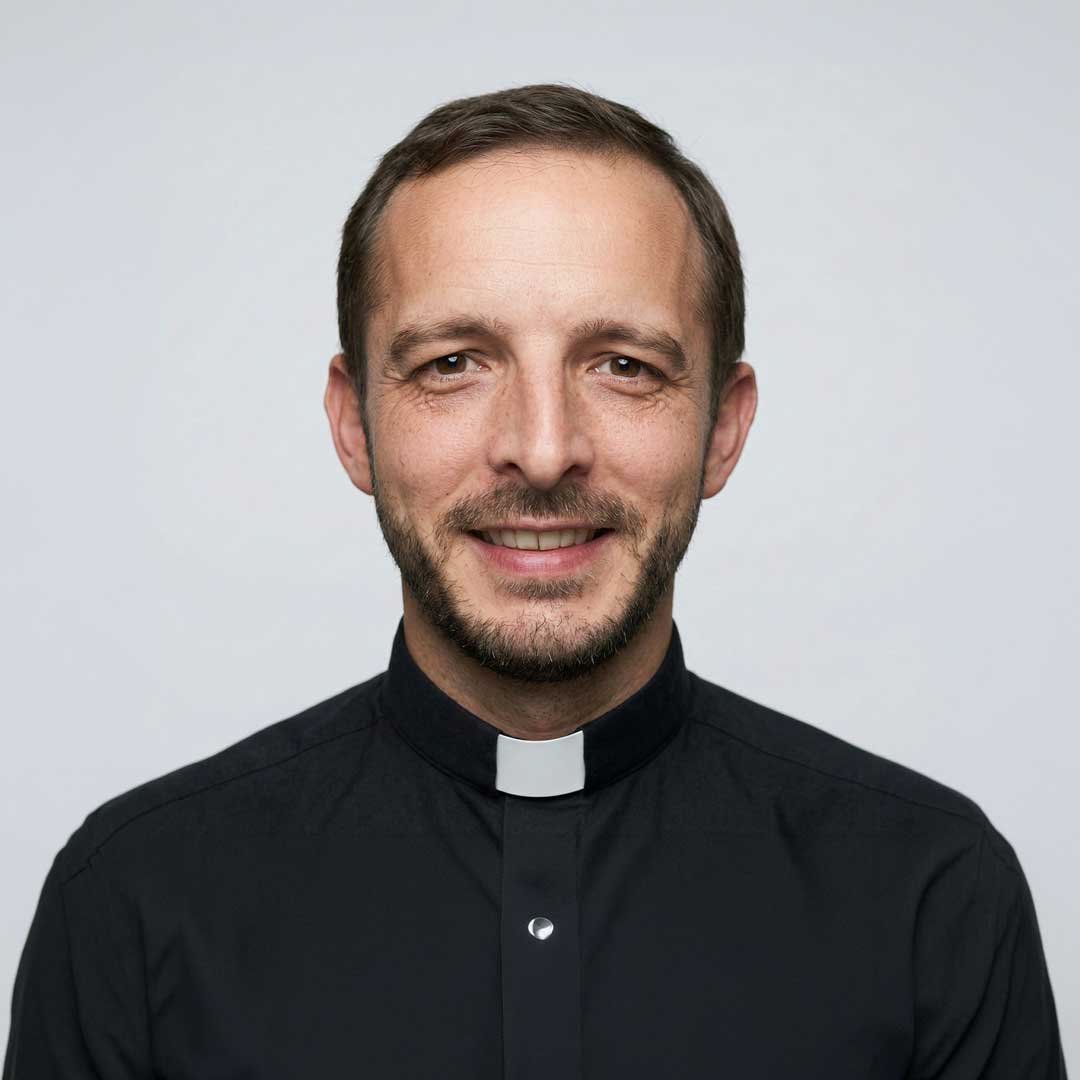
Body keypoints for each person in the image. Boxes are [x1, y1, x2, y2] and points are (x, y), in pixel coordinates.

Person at [3, 84, 1067, 1079]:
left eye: (624, 366)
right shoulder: (132, 904)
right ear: (353, 424)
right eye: (453, 363)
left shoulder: (934, 898)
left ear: (723, 429)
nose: (545, 450)